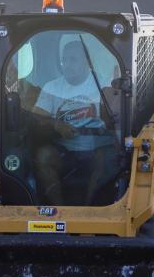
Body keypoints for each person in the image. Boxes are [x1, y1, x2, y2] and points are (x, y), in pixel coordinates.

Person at [31, 40, 117, 205]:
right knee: (43, 157)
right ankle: (59, 210)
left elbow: (116, 119)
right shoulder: (52, 88)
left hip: (97, 148)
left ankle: (89, 209)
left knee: (104, 159)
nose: (67, 64)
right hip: (65, 150)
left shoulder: (104, 85)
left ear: (86, 62)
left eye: (73, 60)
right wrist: (56, 125)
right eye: (65, 60)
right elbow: (36, 119)